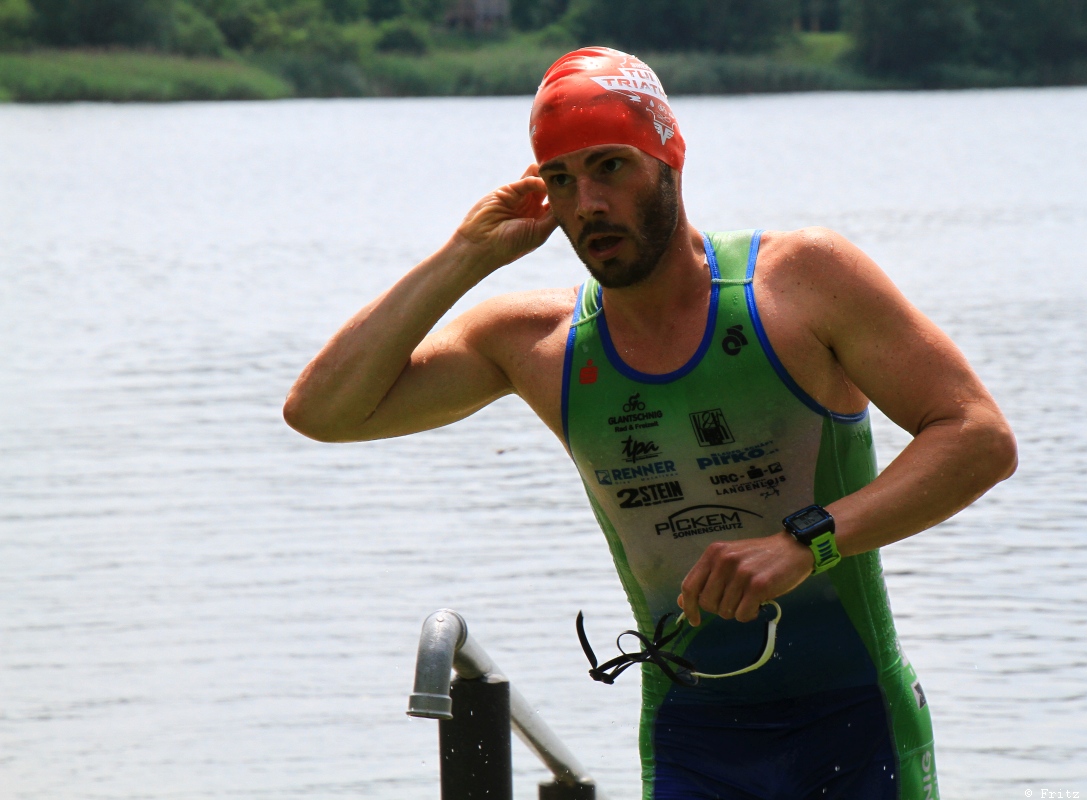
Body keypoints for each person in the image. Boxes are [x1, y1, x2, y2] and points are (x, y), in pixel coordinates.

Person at [283, 47, 1017, 800]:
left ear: (670, 159)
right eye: (561, 180)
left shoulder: (799, 282)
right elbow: (321, 411)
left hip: (857, 724)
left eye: (610, 166)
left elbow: (978, 436)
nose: (588, 204)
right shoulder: (537, 345)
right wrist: (466, 255)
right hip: (692, 740)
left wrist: (807, 542)